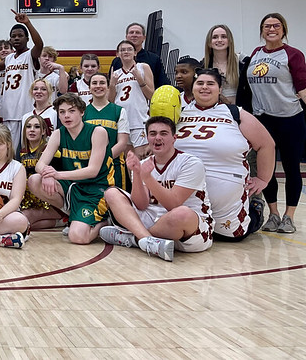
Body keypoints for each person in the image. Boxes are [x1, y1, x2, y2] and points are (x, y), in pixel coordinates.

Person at [176, 68, 275, 240]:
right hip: (185, 197)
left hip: (229, 211)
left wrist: (263, 179)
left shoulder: (234, 113)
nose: (204, 87)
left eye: (210, 84)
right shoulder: (178, 112)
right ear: (192, 88)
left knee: (230, 237)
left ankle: (255, 208)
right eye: (200, 83)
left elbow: (267, 144)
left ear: (220, 89)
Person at [101, 117, 213, 262]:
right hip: (152, 220)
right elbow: (141, 204)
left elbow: (173, 204)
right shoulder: (143, 164)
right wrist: (136, 172)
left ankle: (134, 238)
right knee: (111, 193)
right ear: (147, 138)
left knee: (181, 214)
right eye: (152, 133)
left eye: (163, 133)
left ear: (174, 138)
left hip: (189, 230)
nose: (157, 137)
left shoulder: (191, 163)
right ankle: (147, 241)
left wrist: (147, 178)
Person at [246, 13, 306, 233]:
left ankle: (289, 216)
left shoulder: (293, 54)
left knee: (291, 168)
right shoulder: (255, 54)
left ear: (283, 29)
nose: (271, 29)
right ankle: (273, 214)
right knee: (266, 170)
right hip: (263, 120)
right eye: (266, 26)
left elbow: (302, 86)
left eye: (276, 25)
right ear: (262, 30)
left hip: (290, 119)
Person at [27, 93, 113, 245]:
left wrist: (57, 174)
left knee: (78, 237)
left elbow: (92, 171)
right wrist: (47, 174)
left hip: (96, 190)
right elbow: (39, 165)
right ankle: (70, 215)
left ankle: (108, 222)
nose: (66, 115)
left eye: (71, 111)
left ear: (82, 112)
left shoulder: (98, 132)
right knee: (35, 180)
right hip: (73, 187)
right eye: (62, 112)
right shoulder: (58, 134)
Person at [0, 10, 43, 147]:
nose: (16, 38)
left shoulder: (31, 54)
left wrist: (27, 23)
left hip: (25, 110)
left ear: (27, 39)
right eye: (13, 36)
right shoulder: (9, 58)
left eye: (20, 36)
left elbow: (40, 44)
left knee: (24, 150)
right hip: (7, 111)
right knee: (8, 150)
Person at [85, 73, 130, 190]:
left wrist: (101, 160)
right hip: (88, 167)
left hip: (114, 167)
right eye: (94, 83)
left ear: (108, 87)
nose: (98, 86)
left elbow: (122, 143)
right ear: (89, 87)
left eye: (102, 83)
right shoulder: (82, 112)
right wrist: (94, 164)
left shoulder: (119, 111)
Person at [109, 39, 154, 158]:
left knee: (142, 156)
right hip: (122, 120)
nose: (126, 52)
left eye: (129, 49)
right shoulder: (116, 73)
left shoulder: (143, 67)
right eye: (122, 50)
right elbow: (110, 101)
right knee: (129, 159)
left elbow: (151, 96)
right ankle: (133, 178)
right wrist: (112, 85)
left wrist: (139, 79)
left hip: (139, 119)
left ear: (135, 53)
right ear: (117, 54)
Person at [19, 115, 64, 230]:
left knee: (23, 219)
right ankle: (59, 222)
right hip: (30, 200)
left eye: (37, 127)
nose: (32, 130)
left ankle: (63, 216)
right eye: (28, 127)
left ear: (44, 131)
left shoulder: (51, 151)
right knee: (25, 224)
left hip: (50, 200)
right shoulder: (22, 153)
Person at [109, 23, 171, 88]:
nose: (134, 35)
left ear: (144, 38)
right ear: (126, 37)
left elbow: (162, 83)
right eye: (131, 32)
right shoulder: (117, 61)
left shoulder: (154, 59)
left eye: (138, 33)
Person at [203, 25, 240, 104]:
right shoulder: (203, 65)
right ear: (209, 42)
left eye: (224, 37)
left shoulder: (241, 61)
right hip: (216, 111)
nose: (219, 40)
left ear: (230, 41)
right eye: (215, 37)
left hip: (240, 109)